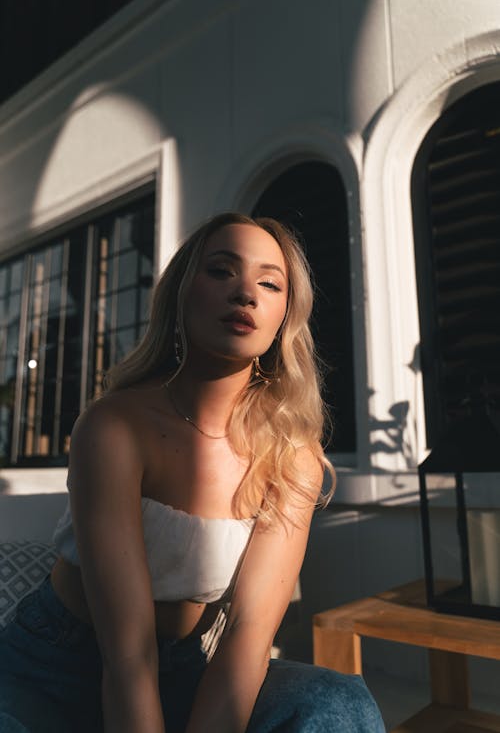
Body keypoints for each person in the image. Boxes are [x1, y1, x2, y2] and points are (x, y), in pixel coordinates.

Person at [0, 212, 385, 732]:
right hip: (51, 666)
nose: (245, 293)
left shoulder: (292, 454)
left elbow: (247, 637)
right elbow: (128, 655)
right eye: (222, 271)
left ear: (283, 319)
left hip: (186, 666)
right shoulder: (114, 426)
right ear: (182, 294)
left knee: (338, 704)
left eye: (269, 284)